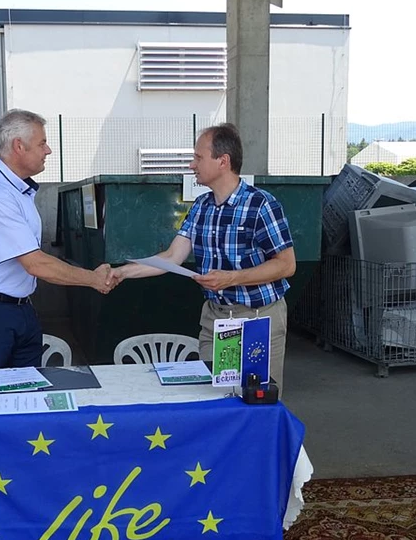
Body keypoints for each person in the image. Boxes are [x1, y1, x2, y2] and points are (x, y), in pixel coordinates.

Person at [113, 123, 296, 392]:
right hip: (215, 320)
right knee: (214, 398)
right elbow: (172, 256)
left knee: (257, 402)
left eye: (198, 157)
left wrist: (232, 278)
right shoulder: (201, 206)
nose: (191, 165)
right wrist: (123, 272)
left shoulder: (261, 205)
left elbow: (286, 264)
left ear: (223, 161)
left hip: (257, 320)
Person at [0, 109, 116, 369]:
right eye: (42, 143)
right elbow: (35, 264)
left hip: (19, 308)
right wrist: (93, 279)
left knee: (28, 390)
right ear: (19, 146)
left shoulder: (17, 190)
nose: (48, 150)